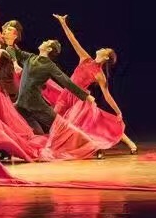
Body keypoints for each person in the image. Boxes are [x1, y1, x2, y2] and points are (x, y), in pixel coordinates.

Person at [53, 14, 138, 154]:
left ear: (106, 57)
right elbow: (73, 40)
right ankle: (60, 147)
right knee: (55, 121)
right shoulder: (85, 59)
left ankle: (117, 145)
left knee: (100, 124)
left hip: (80, 100)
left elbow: (107, 95)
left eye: (105, 49)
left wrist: (118, 112)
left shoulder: (99, 74)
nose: (102, 48)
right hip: (66, 95)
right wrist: (63, 23)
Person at [9, 38, 96, 134]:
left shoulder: (50, 66)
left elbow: (66, 81)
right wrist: (14, 62)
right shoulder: (30, 57)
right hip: (21, 104)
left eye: (47, 42)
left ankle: (84, 140)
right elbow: (10, 49)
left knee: (62, 127)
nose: (43, 41)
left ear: (49, 49)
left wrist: (85, 96)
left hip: (35, 103)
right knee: (35, 133)